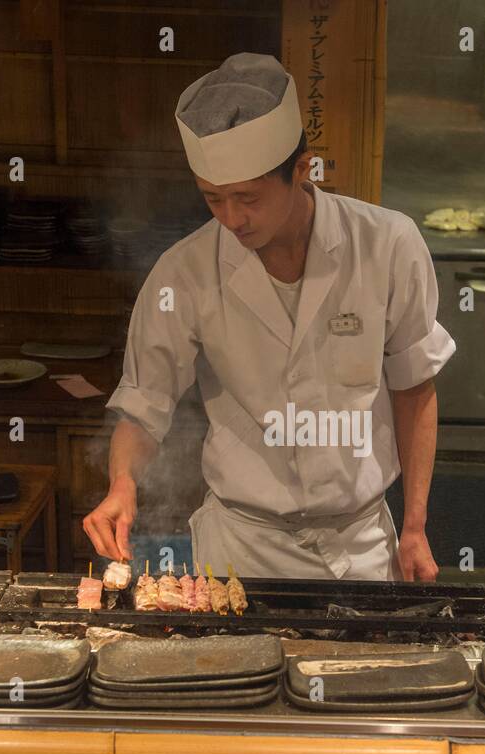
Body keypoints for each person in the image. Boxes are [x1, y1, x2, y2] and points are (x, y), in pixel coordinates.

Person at [82, 52, 455, 580]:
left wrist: (415, 527)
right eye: (213, 199)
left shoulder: (387, 244)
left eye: (247, 198)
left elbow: (414, 387)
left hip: (361, 547)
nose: (231, 219)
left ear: (302, 170)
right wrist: (122, 483)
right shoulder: (183, 271)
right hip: (239, 549)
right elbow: (145, 404)